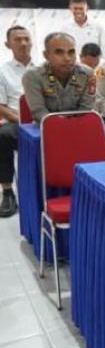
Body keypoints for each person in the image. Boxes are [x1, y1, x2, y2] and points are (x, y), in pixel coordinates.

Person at [0, 26, 35, 216]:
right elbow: (1, 106)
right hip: (16, 122)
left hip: (44, 120)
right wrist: (21, 121)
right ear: (8, 44)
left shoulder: (44, 68)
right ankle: (7, 192)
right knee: (2, 136)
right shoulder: (2, 71)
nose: (23, 43)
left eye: (26, 39)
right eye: (17, 39)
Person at [22, 33, 95, 123]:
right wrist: (61, 125)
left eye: (71, 52)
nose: (67, 58)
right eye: (59, 52)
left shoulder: (87, 74)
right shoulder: (33, 76)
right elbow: (39, 112)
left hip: (79, 124)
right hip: (47, 126)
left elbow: (86, 109)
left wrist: (72, 125)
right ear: (46, 55)